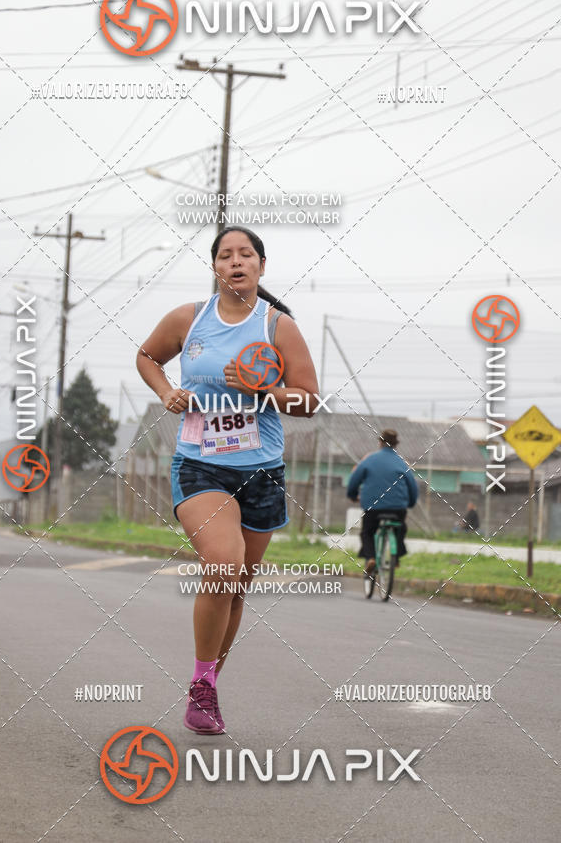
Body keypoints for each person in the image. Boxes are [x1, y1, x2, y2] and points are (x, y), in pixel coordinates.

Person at [136, 225, 318, 734]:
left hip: (261, 470)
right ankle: (200, 680)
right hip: (200, 464)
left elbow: (309, 401)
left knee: (236, 588)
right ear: (215, 267)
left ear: (261, 266)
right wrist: (167, 390)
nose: (235, 261)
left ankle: (208, 686)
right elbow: (147, 357)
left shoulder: (278, 326)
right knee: (222, 565)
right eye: (225, 255)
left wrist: (266, 389)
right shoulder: (188, 319)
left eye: (245, 254)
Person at [346, 429, 418, 573]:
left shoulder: (369, 459)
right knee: (400, 528)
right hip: (398, 508)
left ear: (380, 442)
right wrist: (410, 503)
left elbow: (354, 481)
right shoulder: (402, 463)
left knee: (367, 532)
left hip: (373, 508)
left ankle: (371, 557)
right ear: (396, 444)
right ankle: (395, 558)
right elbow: (413, 487)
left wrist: (353, 495)